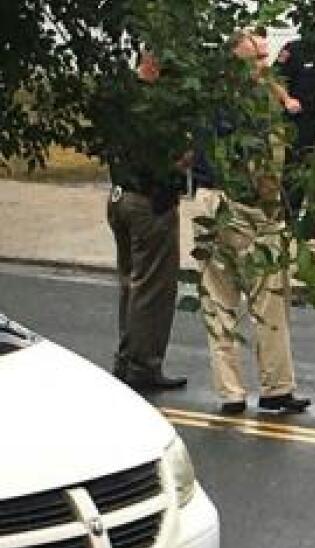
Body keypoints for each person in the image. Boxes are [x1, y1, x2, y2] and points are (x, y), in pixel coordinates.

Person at [192, 30, 310, 416]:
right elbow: (259, 168)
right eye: (256, 58)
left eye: (265, 56)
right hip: (243, 206)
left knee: (218, 300)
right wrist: (271, 209)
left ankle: (230, 392)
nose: (264, 65)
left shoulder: (209, 97)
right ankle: (276, 388)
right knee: (268, 295)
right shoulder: (252, 106)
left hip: (208, 199)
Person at [101, 51, 190, 392]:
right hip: (150, 201)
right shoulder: (153, 106)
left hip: (120, 196)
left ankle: (126, 358)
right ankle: (144, 364)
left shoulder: (121, 98)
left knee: (131, 283)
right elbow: (165, 160)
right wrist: (182, 163)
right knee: (153, 287)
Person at [274, 37, 315, 236]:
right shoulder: (294, 48)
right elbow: (274, 77)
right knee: (296, 168)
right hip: (301, 119)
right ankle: (291, 220)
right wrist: (287, 99)